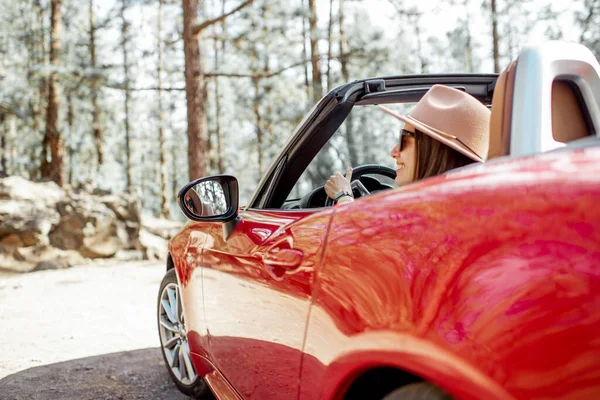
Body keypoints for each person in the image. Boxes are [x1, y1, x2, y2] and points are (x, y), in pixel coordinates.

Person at [324, 84, 491, 205]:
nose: (393, 152)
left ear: (434, 149)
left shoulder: (429, 212)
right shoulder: (468, 206)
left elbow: (366, 239)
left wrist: (343, 195)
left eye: (404, 139)